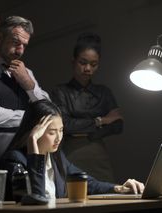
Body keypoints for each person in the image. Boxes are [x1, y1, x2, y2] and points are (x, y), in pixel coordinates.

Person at [0, 100, 143, 201]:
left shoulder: (56, 157)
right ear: (34, 132)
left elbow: (88, 184)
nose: (58, 138)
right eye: (51, 132)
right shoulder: (15, 160)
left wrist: (120, 188)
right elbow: (36, 198)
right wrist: (32, 144)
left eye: (61, 131)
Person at [0, 16, 49, 169]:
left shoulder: (27, 73)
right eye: (15, 42)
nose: (20, 50)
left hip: (27, 154)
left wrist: (29, 85)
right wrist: (35, 118)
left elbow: (48, 111)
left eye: (24, 45)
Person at [50, 32, 123, 182]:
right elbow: (66, 125)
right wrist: (100, 121)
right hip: (71, 152)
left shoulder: (104, 92)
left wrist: (92, 135)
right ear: (73, 61)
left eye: (94, 64)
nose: (88, 68)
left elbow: (118, 125)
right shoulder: (60, 91)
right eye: (83, 63)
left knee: (107, 195)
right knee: (73, 196)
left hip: (98, 153)